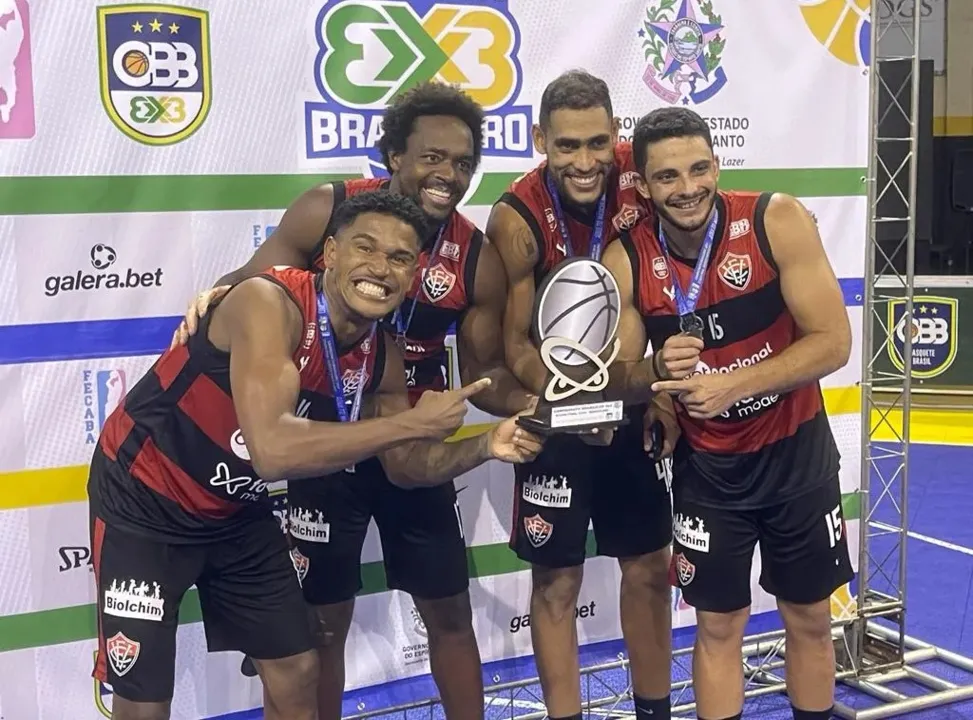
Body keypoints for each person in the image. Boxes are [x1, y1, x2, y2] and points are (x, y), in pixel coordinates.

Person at [89, 190, 543, 720]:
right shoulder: (268, 302)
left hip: (236, 512)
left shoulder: (381, 356)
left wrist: (485, 446)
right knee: (145, 705)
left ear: (415, 272)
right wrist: (413, 422)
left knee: (298, 671)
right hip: (145, 502)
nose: (380, 268)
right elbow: (273, 452)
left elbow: (405, 466)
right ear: (329, 252)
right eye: (365, 249)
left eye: (399, 258)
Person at [170, 82, 535, 719]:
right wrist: (212, 298)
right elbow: (253, 282)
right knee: (323, 623)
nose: (447, 174)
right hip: (319, 441)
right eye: (432, 156)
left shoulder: (477, 259)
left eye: (462, 163)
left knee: (448, 609)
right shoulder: (329, 210)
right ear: (393, 154)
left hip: (407, 439)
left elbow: (486, 373)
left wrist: (532, 400)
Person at [601, 106, 854, 720]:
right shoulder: (628, 258)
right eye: (667, 177)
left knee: (810, 616)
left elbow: (833, 341)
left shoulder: (776, 219)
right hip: (709, 471)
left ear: (717, 164)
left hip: (798, 455)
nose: (687, 188)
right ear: (643, 184)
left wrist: (735, 383)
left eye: (698, 168)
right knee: (718, 626)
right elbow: (616, 375)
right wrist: (657, 379)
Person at [489, 69, 676, 720]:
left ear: (616, 134)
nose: (585, 160)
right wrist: (569, 401)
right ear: (540, 138)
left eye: (597, 143)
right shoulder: (515, 215)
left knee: (650, 568)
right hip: (556, 417)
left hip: (629, 407)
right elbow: (513, 344)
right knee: (556, 582)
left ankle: (654, 711)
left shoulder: (641, 177)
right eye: (566, 146)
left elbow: (672, 280)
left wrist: (660, 393)